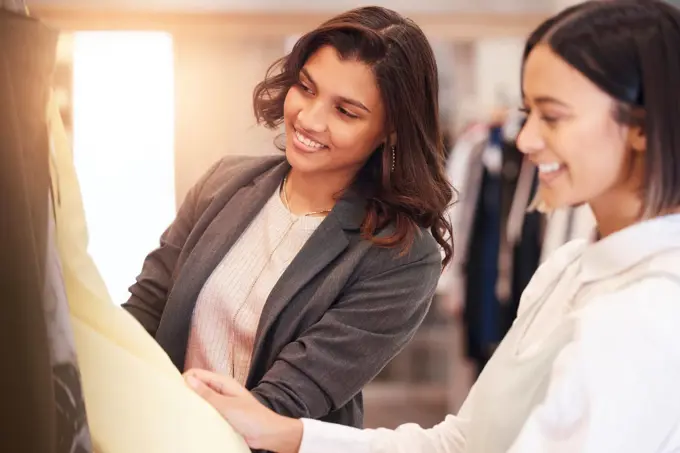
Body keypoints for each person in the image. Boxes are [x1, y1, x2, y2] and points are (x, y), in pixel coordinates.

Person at [183, 1, 680, 452]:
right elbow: (464, 442)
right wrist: (284, 432)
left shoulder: (653, 311)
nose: (524, 140)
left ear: (640, 127)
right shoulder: (566, 269)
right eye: (529, 114)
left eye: (552, 117)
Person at [122, 6, 453, 432]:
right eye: (306, 88)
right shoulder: (223, 184)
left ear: (391, 131)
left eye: (346, 112)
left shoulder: (401, 255)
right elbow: (144, 313)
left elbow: (286, 401)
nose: (310, 119)